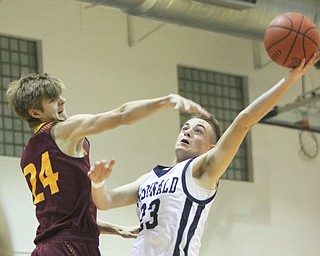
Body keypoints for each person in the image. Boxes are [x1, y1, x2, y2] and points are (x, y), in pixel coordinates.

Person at [88, 53, 320, 256]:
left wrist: (288, 80)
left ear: (210, 148)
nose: (188, 132)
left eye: (199, 131)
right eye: (185, 128)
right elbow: (106, 201)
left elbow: (243, 122)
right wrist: (98, 182)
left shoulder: (201, 172)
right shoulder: (149, 178)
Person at [6, 73, 210, 256]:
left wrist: (115, 229)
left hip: (47, 247)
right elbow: (121, 115)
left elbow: (65, 217)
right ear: (35, 113)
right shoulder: (63, 130)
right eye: (53, 100)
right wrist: (166, 100)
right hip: (71, 248)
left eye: (59, 95)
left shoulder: (28, 153)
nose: (62, 101)